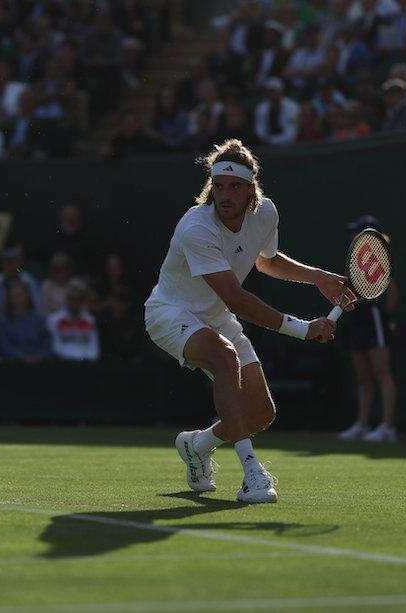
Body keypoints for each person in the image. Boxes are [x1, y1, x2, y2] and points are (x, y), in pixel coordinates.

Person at [144, 138, 347, 504]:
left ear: (251, 188)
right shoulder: (196, 227)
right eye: (218, 186)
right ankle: (252, 473)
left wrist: (317, 276)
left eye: (234, 187)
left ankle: (198, 445)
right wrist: (303, 329)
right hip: (170, 312)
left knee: (261, 412)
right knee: (224, 357)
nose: (224, 195)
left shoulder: (265, 213)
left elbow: (266, 260)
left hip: (216, 317)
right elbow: (236, 298)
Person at [338, 216, 400, 443]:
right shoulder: (356, 258)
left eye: (357, 232)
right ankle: (362, 425)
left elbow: (392, 293)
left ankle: (387, 427)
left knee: (382, 373)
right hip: (358, 315)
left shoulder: (382, 258)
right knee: (363, 376)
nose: (353, 237)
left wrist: (384, 317)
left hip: (375, 315)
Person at [0, 279, 52, 362]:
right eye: (14, 295)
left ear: (27, 296)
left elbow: (47, 344)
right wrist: (22, 357)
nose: (17, 298)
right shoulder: (3, 321)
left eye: (20, 294)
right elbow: (4, 346)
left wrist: (39, 356)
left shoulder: (40, 320)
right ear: (9, 298)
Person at [48, 279, 99, 362]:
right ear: (67, 299)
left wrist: (86, 359)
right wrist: (72, 359)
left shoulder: (90, 320)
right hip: (62, 363)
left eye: (79, 299)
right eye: (72, 299)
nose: (75, 302)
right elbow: (55, 346)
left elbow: (93, 347)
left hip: (86, 364)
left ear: (83, 301)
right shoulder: (54, 320)